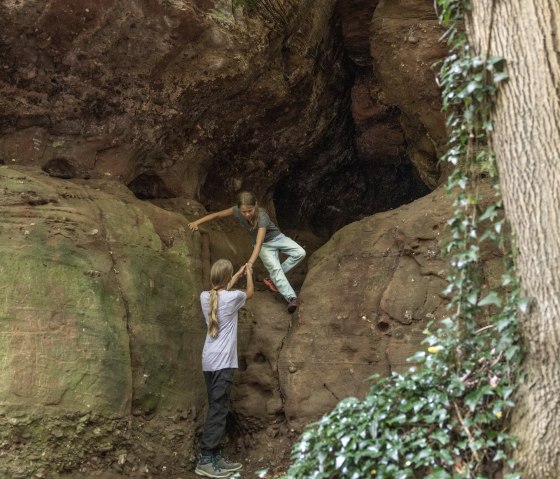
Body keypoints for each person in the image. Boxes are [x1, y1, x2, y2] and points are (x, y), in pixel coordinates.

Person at [188, 191, 305, 313]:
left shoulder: (262, 215)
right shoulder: (236, 211)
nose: (247, 214)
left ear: (255, 205)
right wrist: (197, 222)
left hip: (276, 238)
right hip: (264, 246)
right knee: (275, 269)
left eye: (250, 210)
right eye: (244, 212)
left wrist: (250, 263)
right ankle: (292, 298)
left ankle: (272, 278)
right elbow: (217, 215)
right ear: (239, 209)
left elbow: (259, 242)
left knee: (300, 253)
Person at [195, 259, 254, 478]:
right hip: (224, 363)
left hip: (208, 362)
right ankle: (206, 458)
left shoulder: (205, 297)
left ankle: (215, 456)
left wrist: (235, 274)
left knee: (216, 407)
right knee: (218, 410)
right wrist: (248, 274)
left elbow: (221, 293)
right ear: (227, 279)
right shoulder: (234, 298)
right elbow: (249, 293)